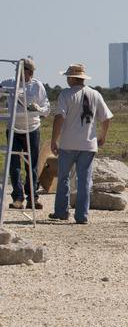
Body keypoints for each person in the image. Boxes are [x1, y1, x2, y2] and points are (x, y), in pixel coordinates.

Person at [49, 63, 113, 224]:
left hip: (68, 143)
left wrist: (53, 139)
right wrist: (102, 136)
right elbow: (106, 118)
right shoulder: (95, 94)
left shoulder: (65, 94)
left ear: (71, 78)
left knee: (63, 177)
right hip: (88, 144)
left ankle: (61, 212)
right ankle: (82, 215)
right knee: (84, 180)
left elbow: (59, 117)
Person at [0, 59, 50, 209]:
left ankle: (33, 197)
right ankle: (18, 197)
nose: (27, 74)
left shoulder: (37, 86)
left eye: (28, 72)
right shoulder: (10, 82)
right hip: (14, 128)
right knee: (13, 164)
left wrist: (37, 109)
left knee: (32, 165)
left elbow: (46, 108)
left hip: (32, 128)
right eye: (22, 71)